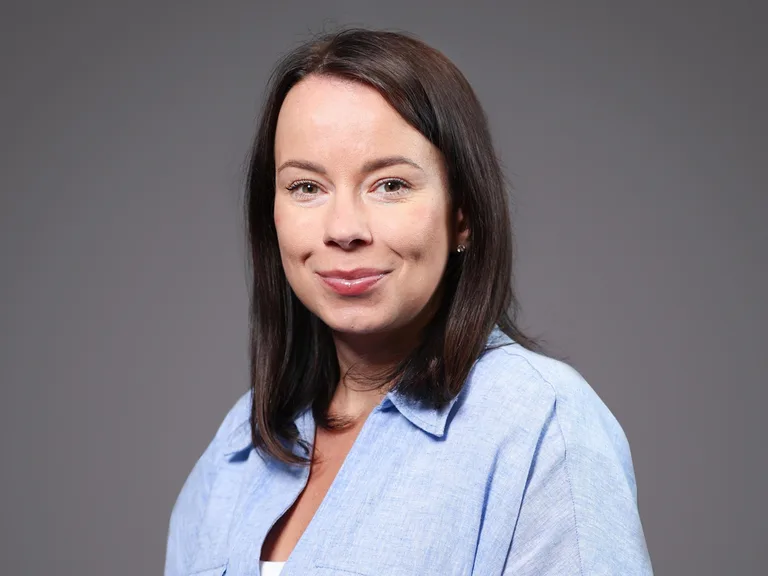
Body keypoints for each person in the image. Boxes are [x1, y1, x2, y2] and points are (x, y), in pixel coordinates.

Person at [164, 27, 653, 576]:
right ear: (271, 216)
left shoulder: (539, 423)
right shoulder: (239, 443)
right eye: (306, 187)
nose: (344, 229)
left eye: (390, 184)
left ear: (462, 213)